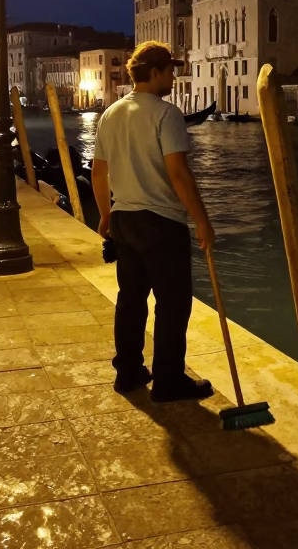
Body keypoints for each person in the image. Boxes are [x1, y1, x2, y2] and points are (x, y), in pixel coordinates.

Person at [90, 41, 215, 401]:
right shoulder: (166, 114)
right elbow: (178, 173)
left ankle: (128, 373)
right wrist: (202, 220)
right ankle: (168, 380)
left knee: (131, 300)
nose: (174, 77)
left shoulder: (111, 113)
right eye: (171, 71)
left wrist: (104, 216)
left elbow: (99, 173)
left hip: (125, 220)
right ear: (156, 73)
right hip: (161, 222)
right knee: (173, 304)